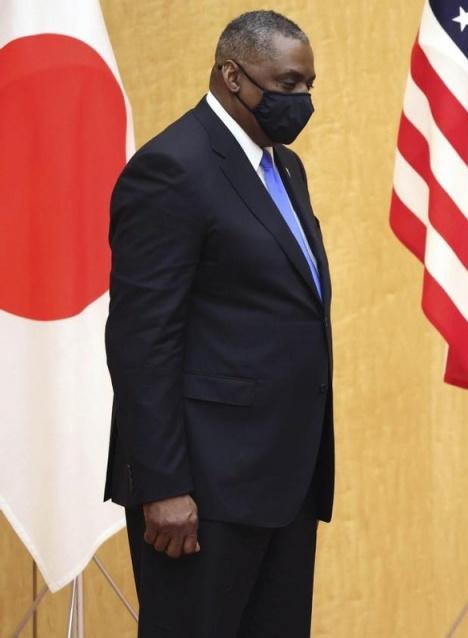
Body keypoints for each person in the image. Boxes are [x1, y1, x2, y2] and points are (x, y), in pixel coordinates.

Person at [103, 10, 333, 637]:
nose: (302, 100)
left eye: (309, 85)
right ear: (232, 76)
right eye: (287, 85)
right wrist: (163, 485)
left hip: (284, 482)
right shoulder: (172, 168)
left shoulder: (284, 167)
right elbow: (142, 341)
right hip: (201, 492)